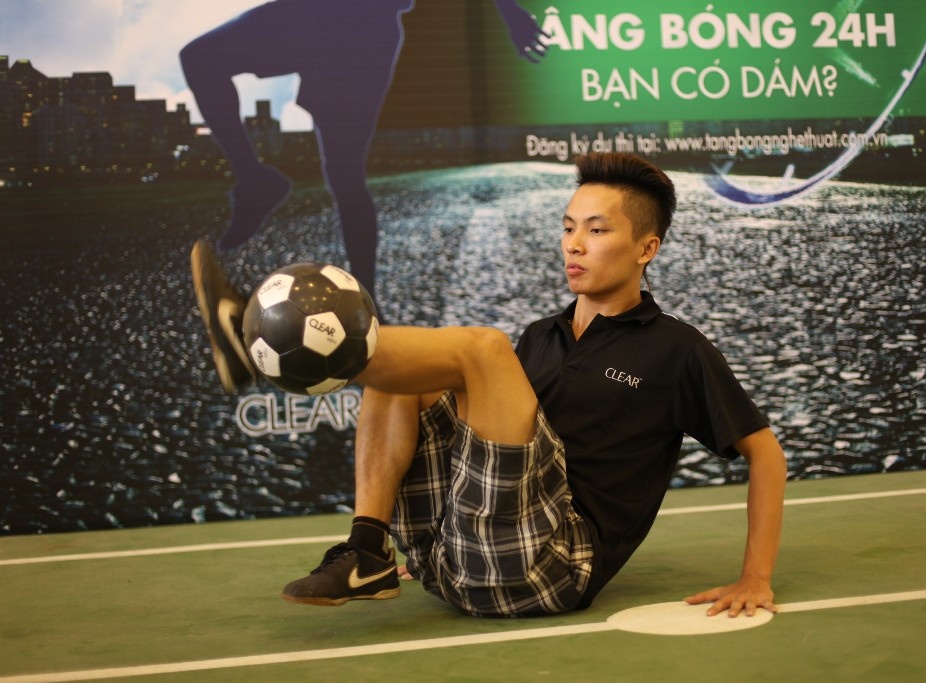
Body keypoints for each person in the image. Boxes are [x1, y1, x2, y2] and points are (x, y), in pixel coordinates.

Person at [191, 151, 787, 618]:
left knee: (481, 348)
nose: (574, 244)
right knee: (407, 374)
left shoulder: (676, 349)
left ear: (646, 248)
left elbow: (766, 455)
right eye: (568, 227)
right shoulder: (542, 337)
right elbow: (491, 452)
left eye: (597, 230)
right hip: (454, 558)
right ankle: (367, 551)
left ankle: (255, 347)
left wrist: (755, 577)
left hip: (550, 565)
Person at [180, 0, 548, 303]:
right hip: (313, 14)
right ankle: (254, 179)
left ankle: (365, 304)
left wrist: (510, 11)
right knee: (200, 57)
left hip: (361, 27)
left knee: (345, 175)